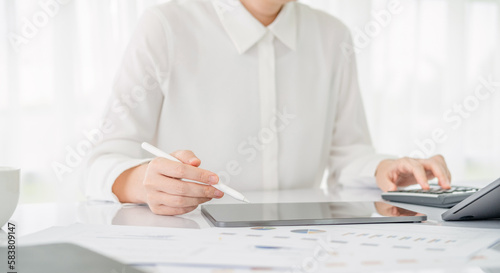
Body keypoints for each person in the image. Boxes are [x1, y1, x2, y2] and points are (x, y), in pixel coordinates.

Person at [86, 0, 451, 216]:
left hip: (301, 254)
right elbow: (103, 161)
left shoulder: (332, 36)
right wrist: (139, 182)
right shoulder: (166, 25)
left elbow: (347, 156)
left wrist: (383, 168)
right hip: (191, 248)